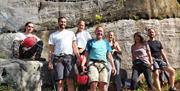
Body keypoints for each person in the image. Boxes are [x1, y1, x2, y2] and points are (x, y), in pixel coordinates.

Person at [48, 17, 80, 91]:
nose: (63, 23)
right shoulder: (53, 35)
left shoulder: (71, 33)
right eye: (61, 22)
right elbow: (51, 50)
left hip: (69, 58)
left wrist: (78, 57)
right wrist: (50, 61)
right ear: (58, 22)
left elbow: (74, 46)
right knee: (60, 82)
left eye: (64, 22)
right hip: (58, 58)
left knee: (70, 81)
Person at [85, 26, 116, 91]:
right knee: (93, 83)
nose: (100, 32)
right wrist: (83, 64)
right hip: (93, 63)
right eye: (98, 31)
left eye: (101, 31)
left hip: (103, 64)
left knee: (103, 85)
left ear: (103, 33)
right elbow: (86, 54)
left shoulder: (106, 43)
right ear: (95, 32)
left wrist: (113, 66)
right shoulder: (90, 42)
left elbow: (109, 55)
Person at [75, 20, 92, 91]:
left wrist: (83, 49)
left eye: (83, 25)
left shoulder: (86, 33)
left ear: (84, 26)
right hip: (78, 54)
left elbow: (90, 43)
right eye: (80, 25)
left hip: (85, 52)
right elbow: (74, 45)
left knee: (85, 71)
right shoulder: (75, 34)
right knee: (79, 72)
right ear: (78, 25)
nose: (81, 26)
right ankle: (80, 88)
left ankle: (85, 88)